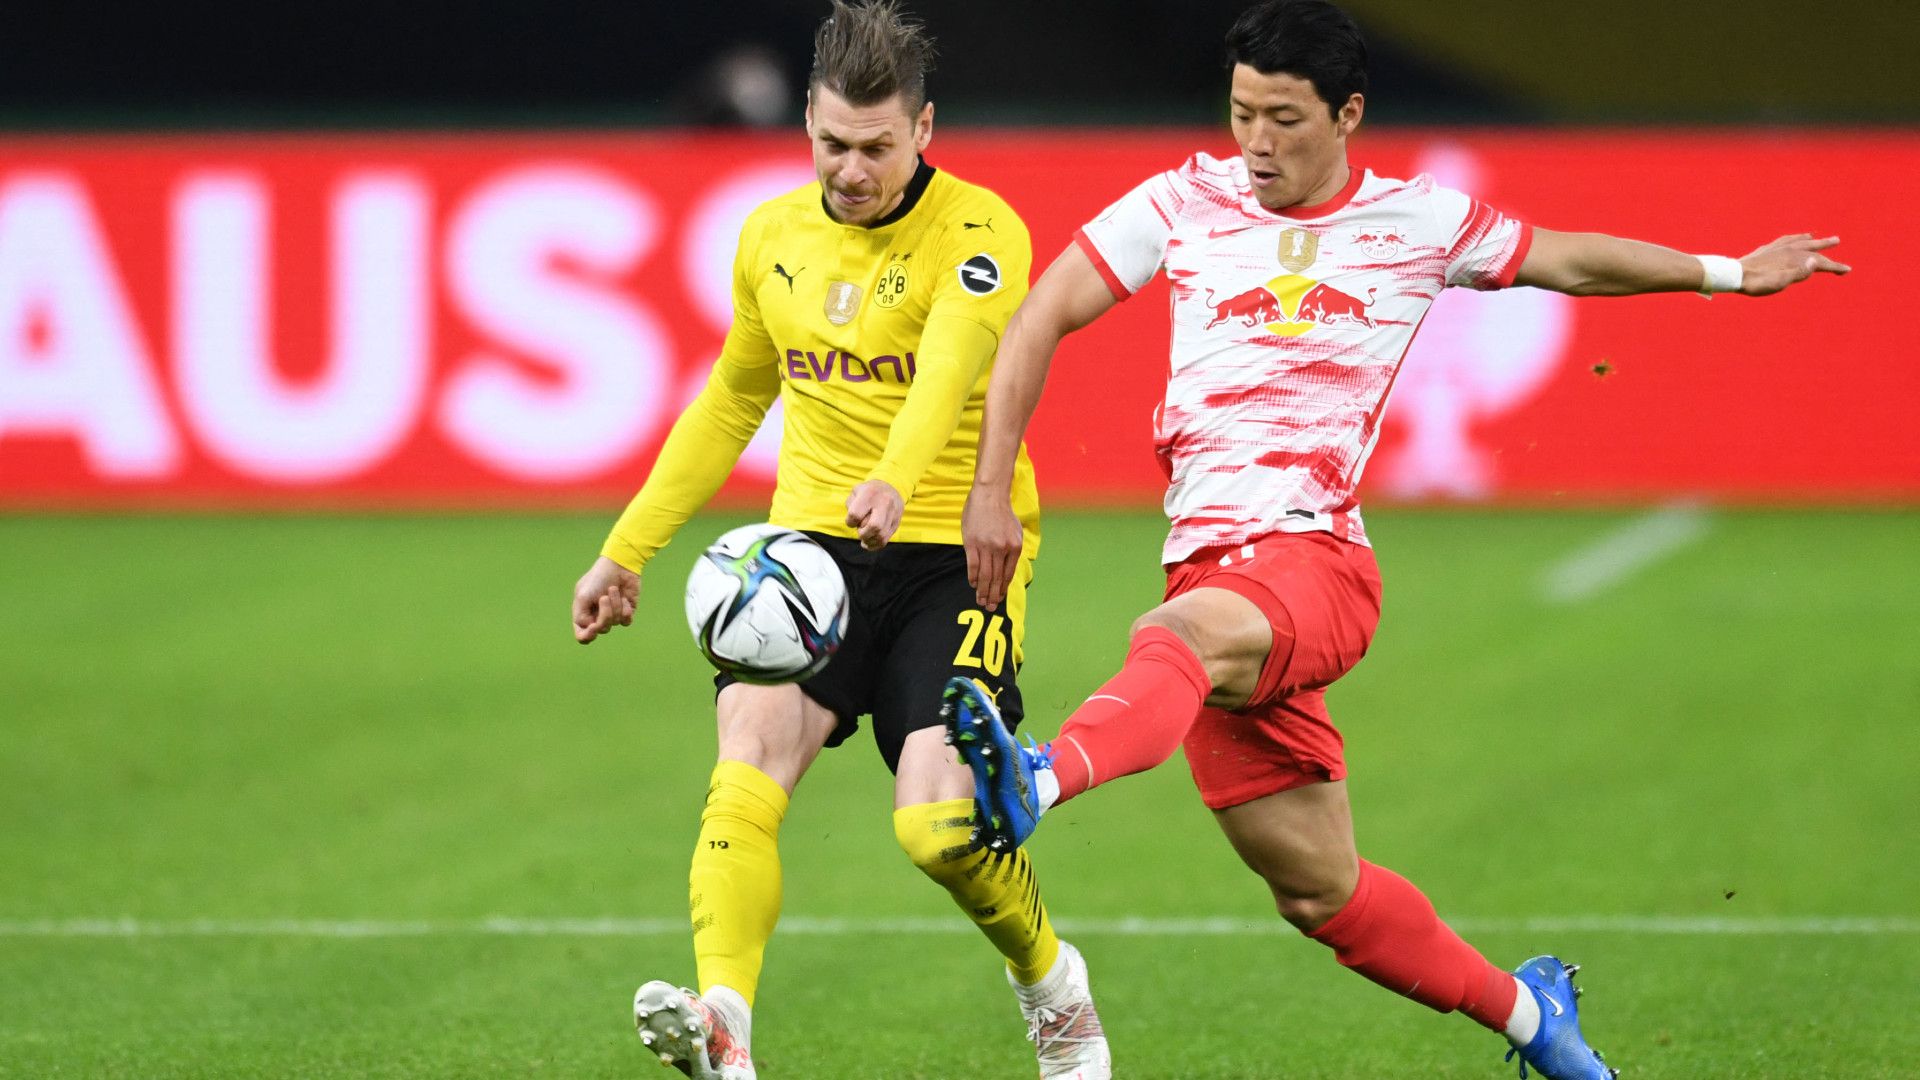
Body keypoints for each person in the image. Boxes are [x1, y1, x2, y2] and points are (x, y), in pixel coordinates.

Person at [944, 2, 1849, 1079]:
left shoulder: (1417, 223)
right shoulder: (1183, 200)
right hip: (1213, 572)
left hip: (1314, 564)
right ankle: (1535, 1018)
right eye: (1241, 113)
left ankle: (1039, 780)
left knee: (1175, 637)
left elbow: (1566, 261)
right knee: (1319, 893)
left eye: (1284, 118)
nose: (1257, 142)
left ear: (1348, 115)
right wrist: (989, 489)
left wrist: (1729, 271)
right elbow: (1040, 313)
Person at [570, 3, 1111, 1078]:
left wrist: (894, 480)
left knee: (936, 832)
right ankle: (724, 1021)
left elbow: (950, 367)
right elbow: (734, 397)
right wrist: (626, 550)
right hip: (812, 557)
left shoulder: (979, 231)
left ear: (924, 130)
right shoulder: (771, 235)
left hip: (957, 558)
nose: (851, 171)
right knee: (745, 767)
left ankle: (1052, 986)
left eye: (876, 147)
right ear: (807, 125)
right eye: (832, 145)